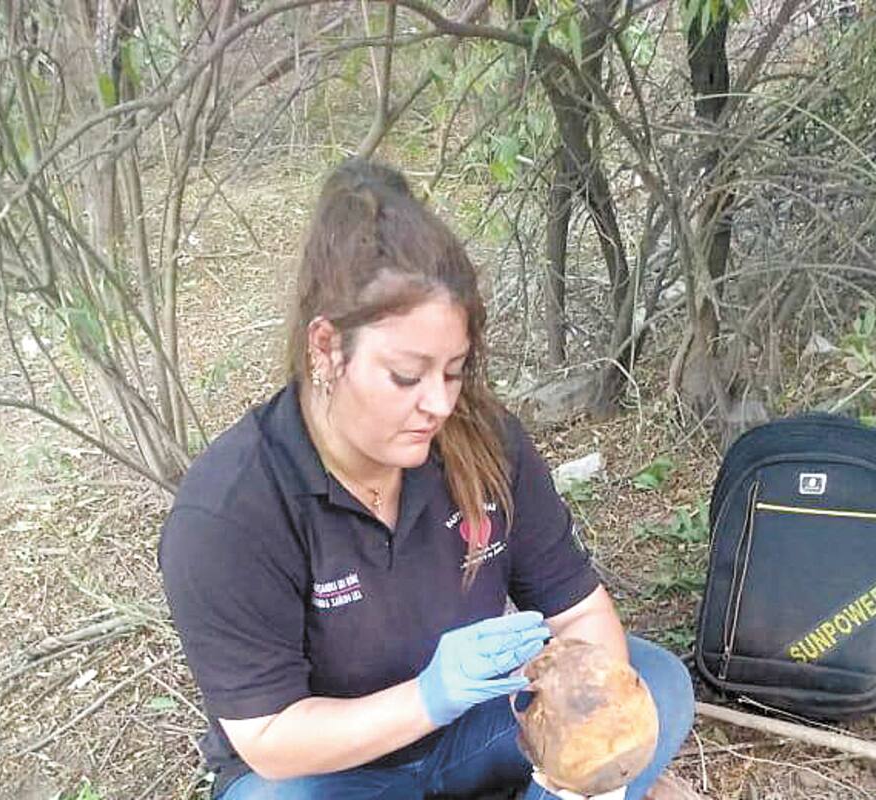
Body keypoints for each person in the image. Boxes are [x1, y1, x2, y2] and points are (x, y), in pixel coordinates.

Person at [158, 158, 695, 800]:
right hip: (332, 772)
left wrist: (594, 723)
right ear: (326, 349)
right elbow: (272, 738)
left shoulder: (485, 442)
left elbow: (579, 612)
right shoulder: (231, 512)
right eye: (408, 377)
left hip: (475, 731)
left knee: (655, 683)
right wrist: (430, 695)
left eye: (454, 370)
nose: (439, 405)